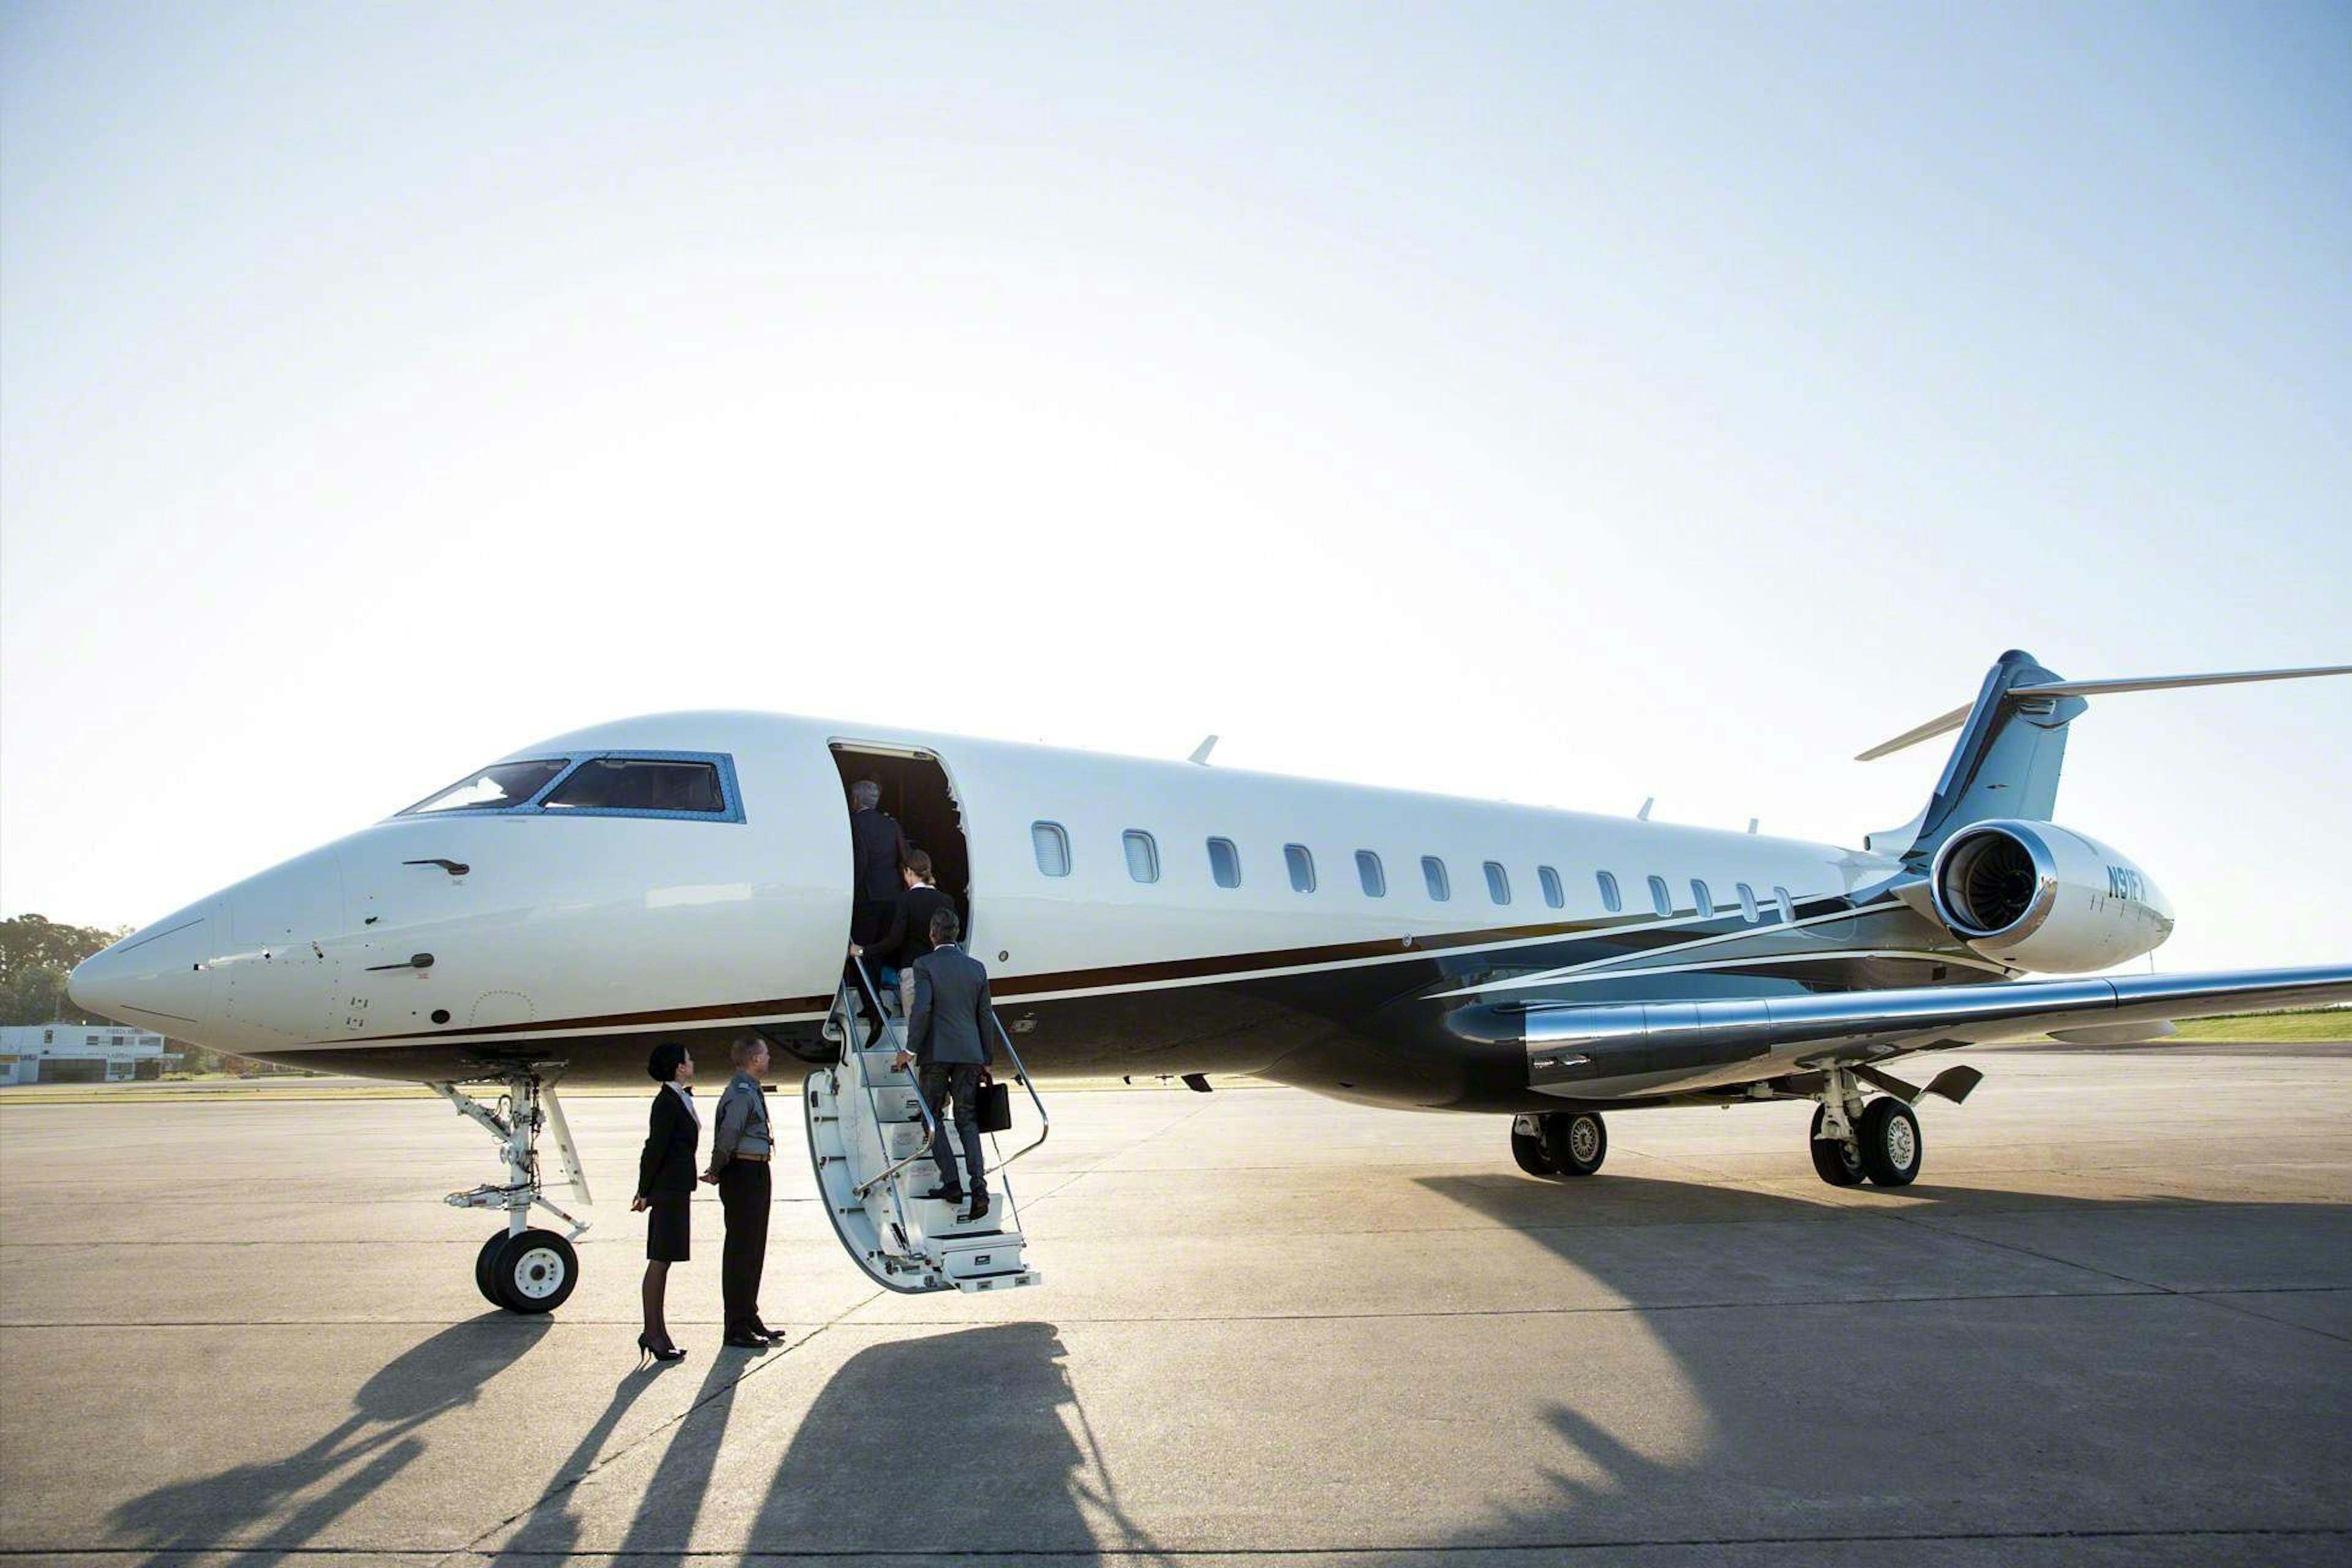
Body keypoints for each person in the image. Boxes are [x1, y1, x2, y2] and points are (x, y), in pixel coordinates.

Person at [894, 908, 999, 1223]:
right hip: (969, 1054)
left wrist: (909, 1049)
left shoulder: (924, 965)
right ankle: (979, 1189)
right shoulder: (977, 968)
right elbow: (985, 1015)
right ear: (956, 935)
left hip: (937, 1053)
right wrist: (986, 1058)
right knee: (967, 1120)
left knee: (931, 1116)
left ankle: (952, 1182)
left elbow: (922, 1009)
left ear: (932, 934)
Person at [701, 1034, 783, 1349]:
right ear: (755, 1059)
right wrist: (716, 1168)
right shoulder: (740, 1093)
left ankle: (749, 1316)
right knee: (741, 1250)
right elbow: (729, 1134)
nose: (769, 1058)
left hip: (756, 1170)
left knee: (754, 1247)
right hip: (743, 1173)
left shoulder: (751, 1089)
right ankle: (735, 1325)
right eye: (766, 1054)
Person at [631, 1042, 698, 1365]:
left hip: (677, 1189)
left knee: (664, 1259)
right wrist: (644, 1190)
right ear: (679, 1067)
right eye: (688, 1059)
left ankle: (657, 1332)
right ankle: (653, 1333)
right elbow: (654, 1148)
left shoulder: (678, 1098)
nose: (693, 1062)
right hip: (668, 1190)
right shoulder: (666, 1103)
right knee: (660, 1260)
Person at [851, 848, 955, 1016]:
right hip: (942, 973)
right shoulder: (946, 900)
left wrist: (863, 951)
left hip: (914, 972)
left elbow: (894, 941)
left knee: (915, 1029)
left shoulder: (906, 900)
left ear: (909, 872)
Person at [846, 778, 909, 949]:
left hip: (867, 895)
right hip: (892, 893)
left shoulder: (854, 823)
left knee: (863, 948)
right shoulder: (890, 824)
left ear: (855, 800)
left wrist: (852, 891)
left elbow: (861, 861)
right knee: (882, 947)